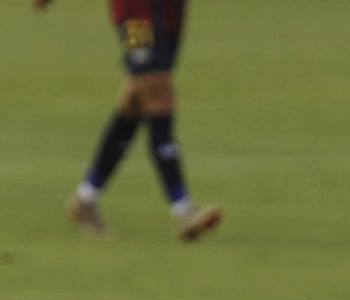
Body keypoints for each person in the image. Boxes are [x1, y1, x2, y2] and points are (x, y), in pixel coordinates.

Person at [36, 0, 222, 240]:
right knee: (157, 91)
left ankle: (85, 198)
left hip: (170, 12)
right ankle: (184, 209)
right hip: (136, 13)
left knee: (136, 102)